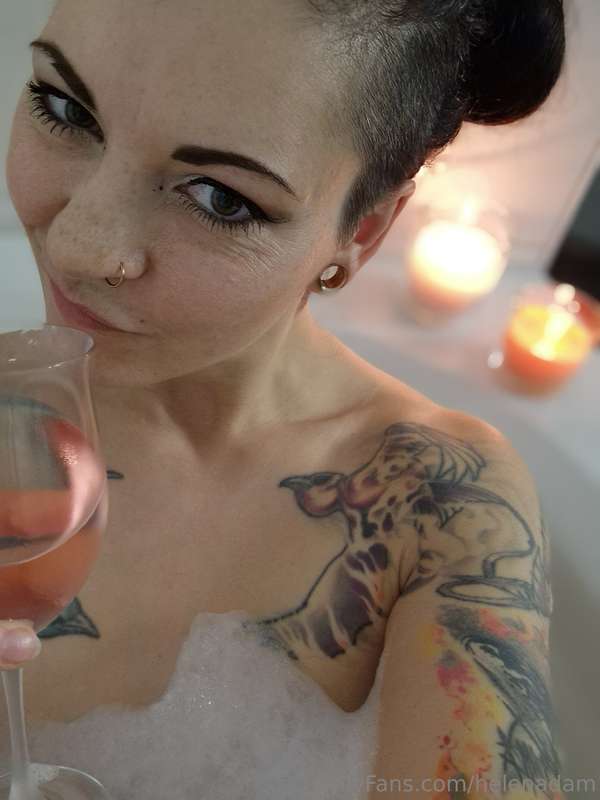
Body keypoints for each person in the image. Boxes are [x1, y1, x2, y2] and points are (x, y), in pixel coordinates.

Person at [1, 0, 566, 796]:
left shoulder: (435, 502)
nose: (76, 247)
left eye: (219, 197)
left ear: (362, 233)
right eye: (64, 109)